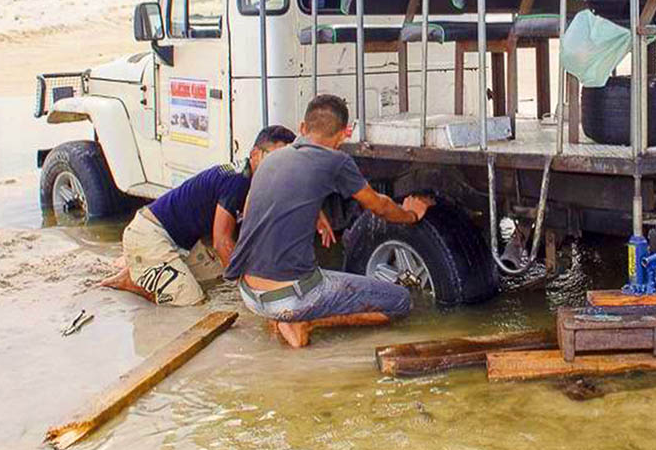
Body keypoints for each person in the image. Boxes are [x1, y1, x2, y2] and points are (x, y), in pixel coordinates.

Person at [226, 94, 432, 347]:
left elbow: (255, 211)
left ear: (302, 128)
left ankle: (282, 317)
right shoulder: (336, 160)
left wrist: (316, 214)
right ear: (345, 133)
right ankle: (306, 321)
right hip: (291, 298)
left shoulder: (271, 160)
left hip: (249, 292)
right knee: (400, 301)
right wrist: (410, 213)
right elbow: (379, 206)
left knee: (320, 276)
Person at [101, 125, 296, 305]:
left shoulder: (253, 179)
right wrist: (248, 293)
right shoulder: (237, 181)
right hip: (150, 234)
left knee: (215, 279)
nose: (281, 167)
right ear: (255, 154)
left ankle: (143, 269)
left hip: (182, 242)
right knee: (193, 302)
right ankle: (134, 282)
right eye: (275, 158)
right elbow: (222, 242)